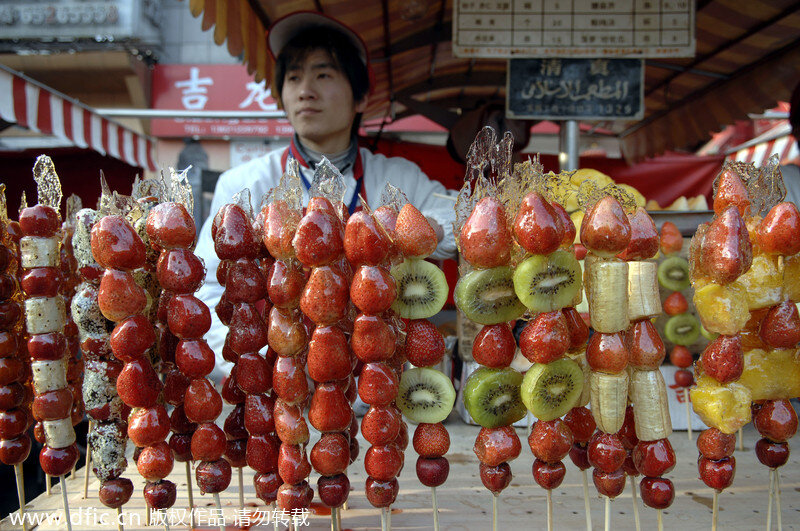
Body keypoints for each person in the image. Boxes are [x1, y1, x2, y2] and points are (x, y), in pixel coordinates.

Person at [194, 12, 458, 381]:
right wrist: (254, 369)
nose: (305, 90)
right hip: (279, 394)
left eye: (323, 74)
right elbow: (207, 285)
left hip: (378, 387)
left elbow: (462, 217)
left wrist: (425, 228)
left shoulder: (397, 179)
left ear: (361, 96)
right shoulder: (246, 185)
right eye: (293, 77)